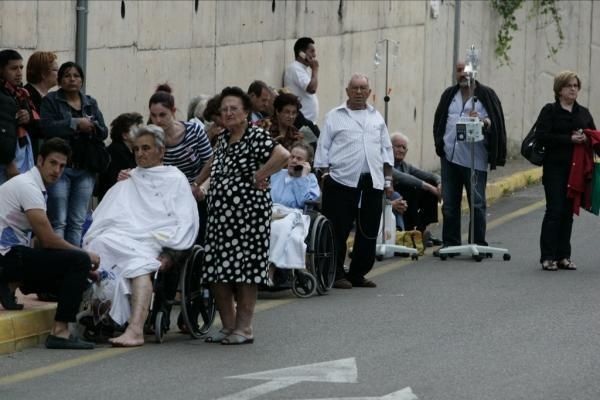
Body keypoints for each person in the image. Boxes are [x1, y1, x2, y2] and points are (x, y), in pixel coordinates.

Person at [84, 125, 199, 346]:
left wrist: (170, 251)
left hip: (153, 240)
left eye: (146, 148)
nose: (140, 154)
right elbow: (111, 212)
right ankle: (101, 317)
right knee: (98, 243)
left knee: (138, 265)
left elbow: (184, 219)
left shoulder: (175, 178)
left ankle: (135, 330)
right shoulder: (129, 177)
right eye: (136, 149)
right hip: (123, 236)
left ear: (161, 151)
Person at [194, 86, 289, 345]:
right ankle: (228, 325)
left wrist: (260, 175)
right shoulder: (224, 138)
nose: (228, 113)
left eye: (234, 108)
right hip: (221, 216)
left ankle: (244, 328)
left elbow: (282, 155)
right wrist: (196, 184)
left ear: (246, 112)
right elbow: (212, 163)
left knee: (245, 273)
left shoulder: (255, 136)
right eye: (224, 109)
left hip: (248, 216)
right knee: (216, 271)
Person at [0, 138, 99, 349]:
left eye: (62, 166)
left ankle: (9, 285)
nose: (57, 170)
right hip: (6, 257)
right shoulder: (28, 186)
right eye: (53, 163)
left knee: (76, 277)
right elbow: (48, 239)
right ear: (40, 160)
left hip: (11, 256)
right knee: (78, 261)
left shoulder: (33, 185)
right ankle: (60, 333)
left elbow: (38, 243)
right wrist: (85, 256)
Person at [314, 73, 394, 289]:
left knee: (368, 229)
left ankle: (358, 272)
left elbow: (386, 149)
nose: (359, 92)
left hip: (372, 181)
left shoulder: (376, 117)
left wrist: (388, 180)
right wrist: (324, 174)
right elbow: (323, 148)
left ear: (369, 92)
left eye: (363, 88)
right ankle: (336, 273)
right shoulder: (334, 115)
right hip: (341, 180)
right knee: (338, 228)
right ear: (348, 91)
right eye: (355, 88)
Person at [432, 61, 507, 252]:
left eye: (466, 71)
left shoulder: (485, 95)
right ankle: (451, 244)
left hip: (475, 159)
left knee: (477, 202)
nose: (463, 74)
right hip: (450, 157)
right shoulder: (450, 94)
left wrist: (483, 121)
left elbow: (495, 122)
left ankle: (478, 243)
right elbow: (439, 119)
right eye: (459, 71)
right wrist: (440, 144)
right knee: (449, 203)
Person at [40, 61, 108, 246]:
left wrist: (92, 127)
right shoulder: (51, 100)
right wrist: (74, 123)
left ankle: (74, 263)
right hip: (60, 168)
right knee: (58, 220)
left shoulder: (90, 102)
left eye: (76, 76)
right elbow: (45, 127)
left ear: (82, 80)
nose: (72, 79)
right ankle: (58, 263)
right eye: (67, 75)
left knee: (77, 221)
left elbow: (104, 132)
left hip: (85, 168)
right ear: (60, 80)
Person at [536, 71, 595, 271]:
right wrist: (568, 139)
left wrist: (586, 139)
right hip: (554, 168)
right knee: (555, 210)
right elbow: (542, 136)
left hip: (576, 170)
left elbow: (593, 136)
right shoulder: (550, 111)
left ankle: (563, 256)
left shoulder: (583, 113)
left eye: (576, 86)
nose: (573, 89)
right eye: (569, 85)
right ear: (559, 90)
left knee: (568, 212)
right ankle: (547, 256)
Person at [146, 84, 212, 243]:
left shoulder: (194, 130)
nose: (158, 120)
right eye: (154, 116)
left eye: (163, 115)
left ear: (173, 112)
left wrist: (201, 187)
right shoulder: (150, 137)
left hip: (196, 192)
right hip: (166, 198)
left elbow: (211, 163)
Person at [390, 132, 442, 246]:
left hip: (407, 203)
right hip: (392, 201)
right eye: (398, 146)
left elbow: (430, 175)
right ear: (389, 147)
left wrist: (439, 184)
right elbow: (402, 177)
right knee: (413, 188)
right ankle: (411, 233)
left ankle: (420, 231)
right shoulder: (386, 164)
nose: (401, 150)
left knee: (430, 185)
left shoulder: (406, 166)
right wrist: (429, 187)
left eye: (404, 148)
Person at [0, 49, 36, 185]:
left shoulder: (21, 93)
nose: (19, 73)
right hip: (7, 161)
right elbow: (3, 131)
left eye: (21, 67)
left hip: (23, 153)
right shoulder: (3, 96)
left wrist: (28, 117)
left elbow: (38, 124)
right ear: (1, 70)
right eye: (14, 68)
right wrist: (10, 162)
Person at [97, 112, 143, 200]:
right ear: (125, 135)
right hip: (113, 200)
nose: (140, 134)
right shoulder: (115, 151)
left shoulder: (132, 150)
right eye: (136, 130)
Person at [25, 51, 59, 157]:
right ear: (43, 74)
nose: (59, 74)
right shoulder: (25, 96)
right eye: (55, 70)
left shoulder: (48, 98)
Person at [271, 141, 320, 209]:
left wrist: (303, 178)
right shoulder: (277, 173)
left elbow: (304, 204)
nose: (294, 161)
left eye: (299, 158)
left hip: (293, 216)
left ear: (307, 163)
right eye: (292, 157)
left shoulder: (311, 179)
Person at [284, 37, 319, 124]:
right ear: (301, 53)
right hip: (302, 122)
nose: (314, 55)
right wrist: (315, 69)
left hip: (308, 121)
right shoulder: (295, 68)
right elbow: (312, 89)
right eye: (312, 51)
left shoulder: (303, 68)